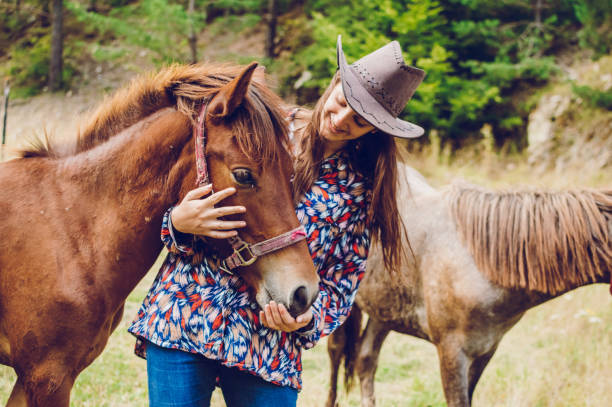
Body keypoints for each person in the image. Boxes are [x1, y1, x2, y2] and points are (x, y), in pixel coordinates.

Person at [128, 35, 426, 407]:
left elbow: (343, 280)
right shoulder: (258, 127)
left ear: (374, 130)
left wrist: (306, 320)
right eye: (343, 102)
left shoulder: (360, 190)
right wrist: (178, 223)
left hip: (268, 346)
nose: (342, 119)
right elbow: (168, 198)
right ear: (334, 83)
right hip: (188, 312)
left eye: (361, 120)